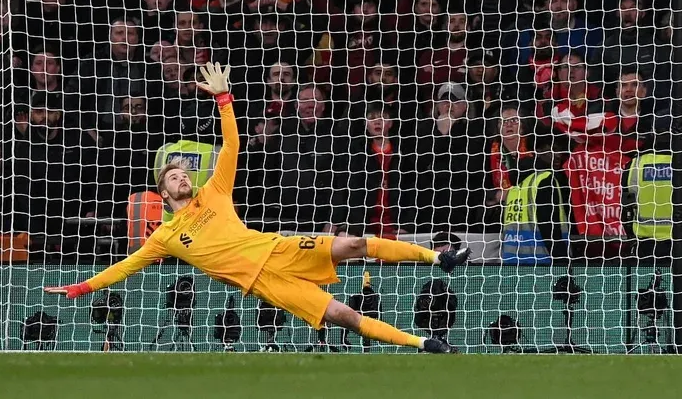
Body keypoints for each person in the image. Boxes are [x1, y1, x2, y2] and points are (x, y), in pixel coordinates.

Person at [46, 62, 469, 354]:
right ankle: (424, 344)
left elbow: (231, 143)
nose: (182, 177)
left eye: (183, 173)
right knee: (343, 314)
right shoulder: (166, 237)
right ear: (164, 192)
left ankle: (441, 258)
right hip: (265, 282)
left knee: (355, 244)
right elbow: (125, 267)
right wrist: (81, 288)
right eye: (173, 176)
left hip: (279, 248)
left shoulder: (213, 192)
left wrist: (224, 98)